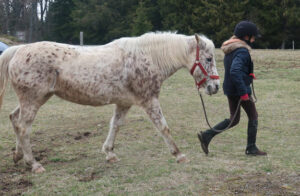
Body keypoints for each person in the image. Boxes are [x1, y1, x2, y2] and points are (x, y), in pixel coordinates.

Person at [198, 21, 267, 156]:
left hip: (231, 89)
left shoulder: (231, 49)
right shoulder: (242, 51)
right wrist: (243, 92)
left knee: (234, 120)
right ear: (246, 36)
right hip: (239, 89)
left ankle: (206, 136)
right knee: (253, 116)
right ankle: (251, 148)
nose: (253, 39)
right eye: (252, 36)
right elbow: (235, 71)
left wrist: (249, 74)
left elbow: (235, 70)